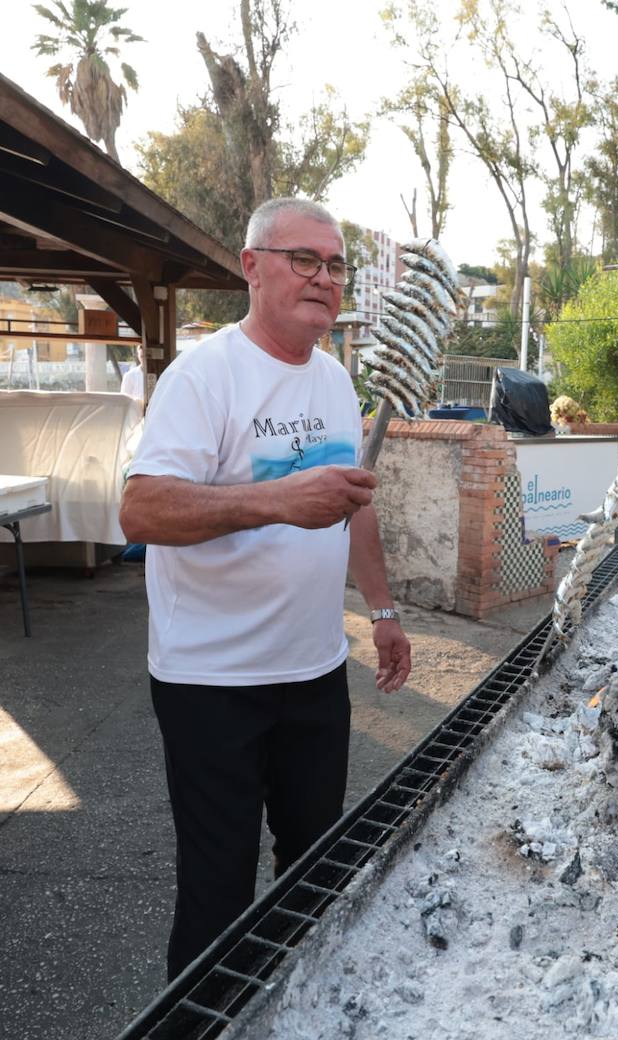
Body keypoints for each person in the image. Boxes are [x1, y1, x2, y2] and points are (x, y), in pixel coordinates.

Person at [120, 197, 412, 980]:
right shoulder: (204, 376)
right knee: (218, 889)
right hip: (212, 680)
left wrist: (381, 612)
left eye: (336, 264)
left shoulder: (334, 382)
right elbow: (141, 508)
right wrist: (279, 500)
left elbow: (355, 508)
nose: (324, 277)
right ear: (252, 267)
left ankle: (294, 1012)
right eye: (304, 259)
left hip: (314, 671)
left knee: (315, 867)